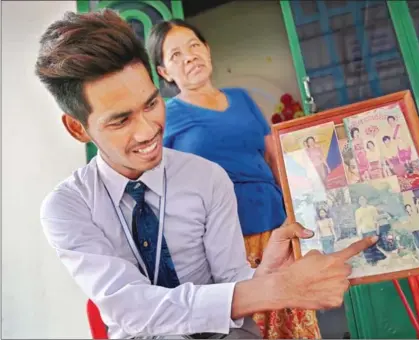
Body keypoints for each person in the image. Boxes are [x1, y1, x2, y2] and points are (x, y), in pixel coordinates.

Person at [35, 9, 377, 340]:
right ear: (78, 128)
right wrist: (272, 289)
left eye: (152, 105)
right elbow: (130, 308)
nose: (146, 132)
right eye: (121, 120)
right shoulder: (68, 207)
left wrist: (265, 274)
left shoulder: (208, 178)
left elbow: (232, 280)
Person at [147, 19, 321, 339]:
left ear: (208, 50)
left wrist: (299, 213)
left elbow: (273, 156)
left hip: (275, 230)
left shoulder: (242, 98)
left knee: (294, 325)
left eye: (194, 46)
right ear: (164, 72)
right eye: (175, 55)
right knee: (246, 330)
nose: (189, 57)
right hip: (222, 245)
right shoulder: (166, 117)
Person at [354, 196, 386, 265]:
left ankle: (378, 260)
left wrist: (377, 228)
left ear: (366, 200)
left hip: (372, 229)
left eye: (363, 199)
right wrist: (359, 232)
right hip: (364, 231)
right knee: (367, 247)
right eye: (361, 200)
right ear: (359, 202)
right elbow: (358, 223)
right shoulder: (358, 211)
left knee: (375, 245)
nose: (362, 201)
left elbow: (376, 218)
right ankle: (371, 262)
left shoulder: (372, 208)